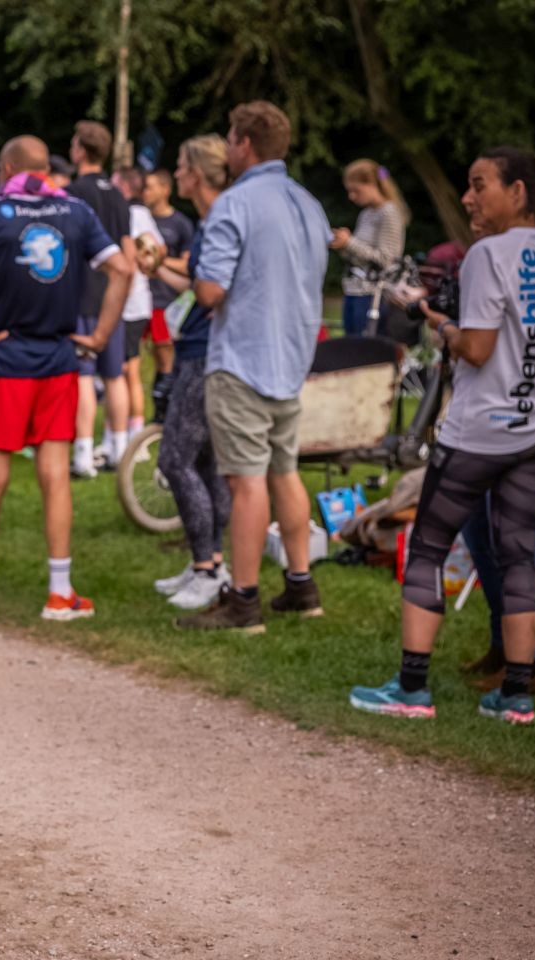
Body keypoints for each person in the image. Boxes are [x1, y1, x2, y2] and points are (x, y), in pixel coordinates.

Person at [350, 151, 535, 725]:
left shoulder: (488, 254)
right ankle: (516, 695)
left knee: (429, 548)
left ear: (518, 192)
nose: (467, 198)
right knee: (518, 552)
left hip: (480, 431)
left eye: (480, 185)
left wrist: (441, 324)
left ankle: (411, 689)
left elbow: (476, 348)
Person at [0, 134, 129, 625]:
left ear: (6, 169)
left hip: (1, 363)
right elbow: (122, 269)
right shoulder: (76, 212)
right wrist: (100, 336)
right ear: (45, 169)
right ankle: (59, 593)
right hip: (59, 359)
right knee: (55, 476)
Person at [176, 101, 331, 633]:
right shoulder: (308, 203)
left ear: (244, 143)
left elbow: (211, 290)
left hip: (243, 358)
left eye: (230, 137)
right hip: (292, 355)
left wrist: (196, 279)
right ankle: (301, 585)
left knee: (245, 482)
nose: (226, 146)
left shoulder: (235, 204)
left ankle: (242, 601)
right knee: (284, 471)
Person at [142, 136, 233, 611]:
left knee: (175, 460)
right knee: (205, 462)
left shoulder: (219, 221)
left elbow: (212, 290)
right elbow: (198, 285)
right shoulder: (209, 220)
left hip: (204, 351)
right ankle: (211, 562)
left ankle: (207, 569)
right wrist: (159, 268)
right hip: (201, 345)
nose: (175, 174)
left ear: (196, 174)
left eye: (180, 166)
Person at [65, 121, 136, 477]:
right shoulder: (118, 195)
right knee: (114, 375)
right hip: (113, 297)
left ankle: (82, 455)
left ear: (80, 150)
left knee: (83, 375)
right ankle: (119, 450)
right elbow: (127, 252)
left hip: (82, 295)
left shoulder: (72, 193)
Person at [115, 166, 163, 451]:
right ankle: (127, 435)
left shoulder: (132, 214)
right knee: (126, 370)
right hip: (136, 302)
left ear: (124, 186)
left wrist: (120, 294)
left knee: (127, 371)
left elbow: (140, 256)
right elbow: (159, 249)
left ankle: (133, 440)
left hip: (129, 304)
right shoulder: (142, 214)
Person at [331, 159, 409, 337]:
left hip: (373, 296)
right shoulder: (366, 214)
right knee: (350, 346)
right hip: (354, 290)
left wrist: (350, 242)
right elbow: (359, 255)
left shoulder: (389, 213)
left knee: (365, 348)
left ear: (371, 184)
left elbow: (387, 259)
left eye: (356, 190)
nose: (351, 196)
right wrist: (342, 245)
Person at [142, 169, 195, 386]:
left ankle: (165, 397)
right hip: (140, 299)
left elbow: (188, 266)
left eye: (150, 187)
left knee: (165, 355)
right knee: (138, 358)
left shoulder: (180, 223)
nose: (145, 192)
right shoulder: (140, 219)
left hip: (166, 301)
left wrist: (159, 261)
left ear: (165, 190)